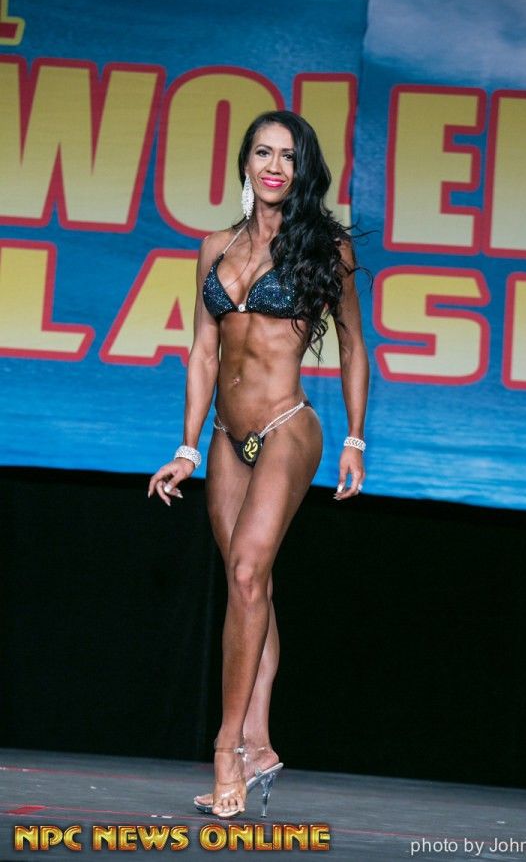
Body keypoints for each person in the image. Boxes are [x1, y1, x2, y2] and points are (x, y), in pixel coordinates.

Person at [148, 110, 369, 819]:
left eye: (288, 156)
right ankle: (260, 744)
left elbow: (354, 346)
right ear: (245, 162)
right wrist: (187, 447)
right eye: (263, 152)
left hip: (286, 427)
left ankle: (226, 749)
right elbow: (202, 352)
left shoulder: (326, 250)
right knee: (252, 588)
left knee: (246, 575)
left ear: (303, 170)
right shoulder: (214, 246)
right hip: (226, 436)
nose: (275, 166)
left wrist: (356, 439)